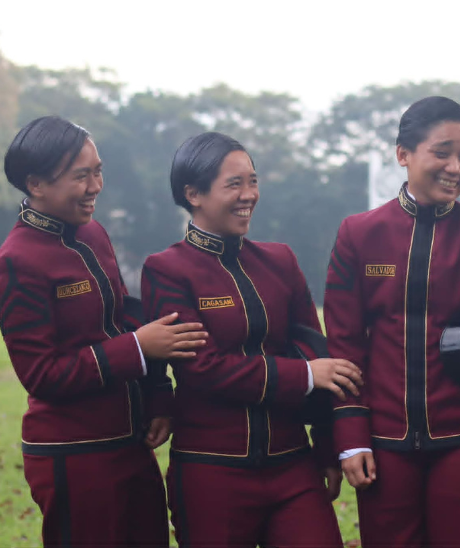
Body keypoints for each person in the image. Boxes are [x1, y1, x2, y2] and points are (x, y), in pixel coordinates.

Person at [324, 96, 460, 547]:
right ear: (403, 154)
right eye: (442, 152)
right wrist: (352, 435)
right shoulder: (358, 234)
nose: (455, 167)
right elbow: (344, 344)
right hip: (382, 443)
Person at [0, 116, 209, 547]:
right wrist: (136, 348)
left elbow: (126, 317)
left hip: (131, 444)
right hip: (74, 456)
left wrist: (158, 397)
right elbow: (42, 375)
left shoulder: (93, 233)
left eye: (98, 171)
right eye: (80, 176)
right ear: (36, 184)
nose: (95, 187)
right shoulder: (17, 262)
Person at [141, 132, 362, 547]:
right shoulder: (166, 270)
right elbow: (203, 368)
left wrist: (326, 446)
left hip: (293, 467)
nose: (249, 195)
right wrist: (304, 375)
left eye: (253, 181)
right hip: (210, 472)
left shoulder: (280, 261)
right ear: (193, 194)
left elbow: (315, 351)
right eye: (234, 184)